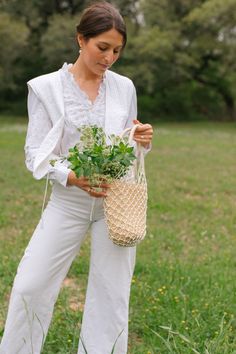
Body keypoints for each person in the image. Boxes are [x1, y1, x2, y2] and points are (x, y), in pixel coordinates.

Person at [0, 2, 153, 353]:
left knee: (112, 294)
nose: (109, 58)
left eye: (117, 50)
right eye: (102, 47)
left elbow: (127, 143)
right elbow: (35, 153)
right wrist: (70, 176)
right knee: (30, 285)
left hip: (113, 205)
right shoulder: (46, 88)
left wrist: (141, 137)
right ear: (81, 40)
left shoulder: (124, 87)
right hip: (68, 203)